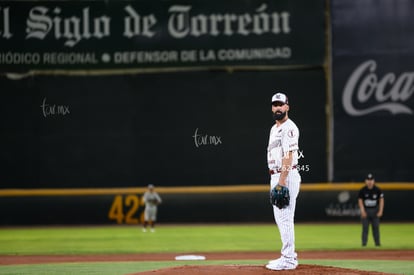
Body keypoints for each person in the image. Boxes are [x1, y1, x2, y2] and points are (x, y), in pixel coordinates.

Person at [266, 92, 301, 271]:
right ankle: (289, 256)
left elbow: (288, 157)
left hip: (285, 176)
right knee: (281, 219)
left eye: (281, 104)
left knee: (286, 218)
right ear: (272, 107)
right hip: (277, 175)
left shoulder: (289, 128)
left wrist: (281, 181)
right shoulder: (274, 128)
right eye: (275, 104)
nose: (278, 107)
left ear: (287, 106)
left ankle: (288, 259)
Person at [358, 173, 384, 246]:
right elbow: (360, 201)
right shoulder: (362, 190)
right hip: (366, 210)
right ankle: (364, 244)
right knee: (365, 228)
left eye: (371, 180)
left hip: (375, 210)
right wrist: (362, 211)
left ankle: (377, 244)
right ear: (365, 181)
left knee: (376, 228)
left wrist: (381, 210)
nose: (369, 181)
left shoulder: (378, 190)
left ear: (374, 181)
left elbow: (381, 200)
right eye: (368, 180)